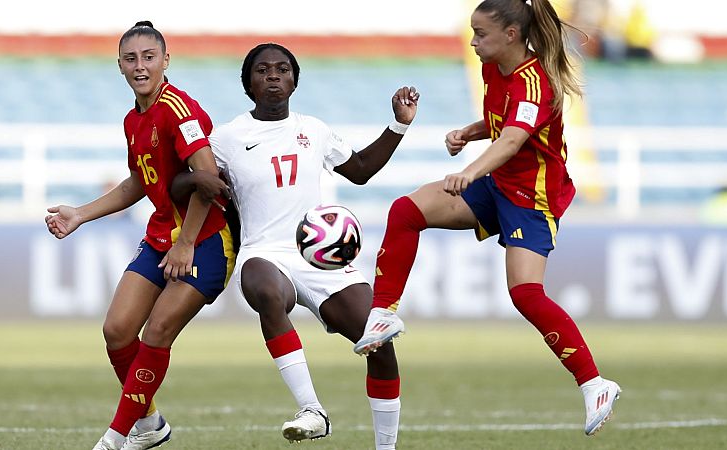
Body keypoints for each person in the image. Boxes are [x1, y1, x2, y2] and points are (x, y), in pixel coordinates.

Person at [353, 0, 622, 437]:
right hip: (498, 185)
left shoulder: (535, 83)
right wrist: (470, 131)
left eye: (481, 34)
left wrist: (470, 170)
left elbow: (515, 138)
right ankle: (383, 312)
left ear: (511, 35)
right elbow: (503, 122)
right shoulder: (495, 67)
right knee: (406, 211)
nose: (474, 42)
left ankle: (595, 384)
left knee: (526, 294)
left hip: (532, 197)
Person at [172, 43, 418, 450]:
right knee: (266, 290)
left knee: (379, 341)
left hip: (319, 256)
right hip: (263, 251)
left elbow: (359, 171)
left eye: (283, 69)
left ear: (294, 81)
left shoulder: (314, 130)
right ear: (248, 84)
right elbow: (178, 183)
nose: (273, 76)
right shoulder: (229, 137)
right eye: (263, 70)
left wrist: (399, 125)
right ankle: (312, 410)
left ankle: (385, 448)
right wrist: (198, 180)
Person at [44, 21, 233, 450]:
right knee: (116, 331)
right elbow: (138, 182)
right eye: (131, 59)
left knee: (157, 330)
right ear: (119, 66)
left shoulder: (178, 109)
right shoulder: (134, 119)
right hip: (162, 235)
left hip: (206, 239)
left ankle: (113, 438)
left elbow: (208, 179)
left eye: (149, 57)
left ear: (167, 60)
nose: (140, 66)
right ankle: (149, 424)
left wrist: (187, 243)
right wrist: (81, 214)